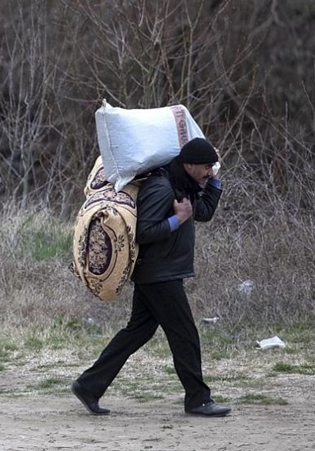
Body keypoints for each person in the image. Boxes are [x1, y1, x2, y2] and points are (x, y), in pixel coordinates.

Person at [72, 138, 231, 417]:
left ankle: (88, 385)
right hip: (159, 275)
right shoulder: (161, 186)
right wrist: (177, 220)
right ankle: (198, 399)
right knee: (185, 336)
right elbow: (143, 232)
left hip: (160, 273)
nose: (209, 171)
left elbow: (203, 213)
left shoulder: (183, 184)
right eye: (207, 167)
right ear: (189, 164)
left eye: (211, 167)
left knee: (137, 332)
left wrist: (214, 183)